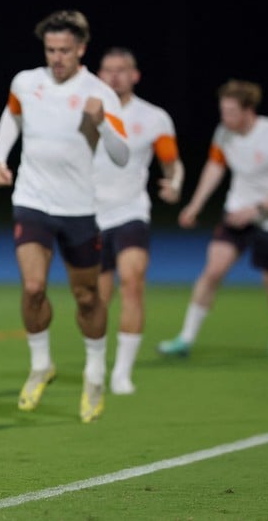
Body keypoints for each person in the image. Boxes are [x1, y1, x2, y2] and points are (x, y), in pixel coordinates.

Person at [0, 10, 129, 423]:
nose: (57, 58)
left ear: (81, 49)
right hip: (32, 200)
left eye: (65, 50)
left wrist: (101, 123)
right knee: (33, 287)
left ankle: (94, 373)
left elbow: (122, 157)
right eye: (51, 50)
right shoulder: (25, 82)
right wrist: (0, 156)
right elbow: (12, 116)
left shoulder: (99, 92)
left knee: (87, 296)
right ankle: (41, 365)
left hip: (79, 210)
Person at [157, 79, 268, 360]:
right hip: (236, 214)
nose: (225, 118)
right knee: (212, 271)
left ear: (248, 110)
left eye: (231, 112)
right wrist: (195, 205)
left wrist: (256, 210)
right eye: (222, 111)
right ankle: (185, 339)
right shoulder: (224, 132)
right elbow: (215, 166)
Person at [93, 47, 184, 395]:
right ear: (99, 74)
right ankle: (98, 366)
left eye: (122, 69)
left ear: (135, 75)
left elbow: (171, 163)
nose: (115, 75)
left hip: (131, 212)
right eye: (108, 69)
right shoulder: (84, 111)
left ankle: (122, 373)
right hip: (90, 215)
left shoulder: (154, 117)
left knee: (132, 283)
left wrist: (174, 184)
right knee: (97, 298)